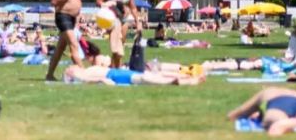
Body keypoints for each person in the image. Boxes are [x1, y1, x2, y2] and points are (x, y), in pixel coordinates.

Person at [46, 0, 85, 81]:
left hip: (71, 18)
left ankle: (49, 75)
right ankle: (84, 74)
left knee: (60, 48)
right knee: (74, 45)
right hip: (63, 16)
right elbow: (54, 0)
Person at [96, 0, 140, 68]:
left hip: (124, 19)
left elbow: (133, 7)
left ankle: (113, 66)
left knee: (121, 43)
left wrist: (138, 22)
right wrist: (107, 3)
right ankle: (117, 67)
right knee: (115, 44)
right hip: (113, 19)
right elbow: (98, 1)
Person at [62, 63, 204, 86]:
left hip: (119, 72)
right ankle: (184, 81)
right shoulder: (81, 75)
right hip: (116, 76)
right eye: (69, 68)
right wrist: (105, 81)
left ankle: (186, 77)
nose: (71, 66)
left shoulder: (85, 69)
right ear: (70, 73)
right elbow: (98, 79)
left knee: (151, 74)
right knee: (145, 78)